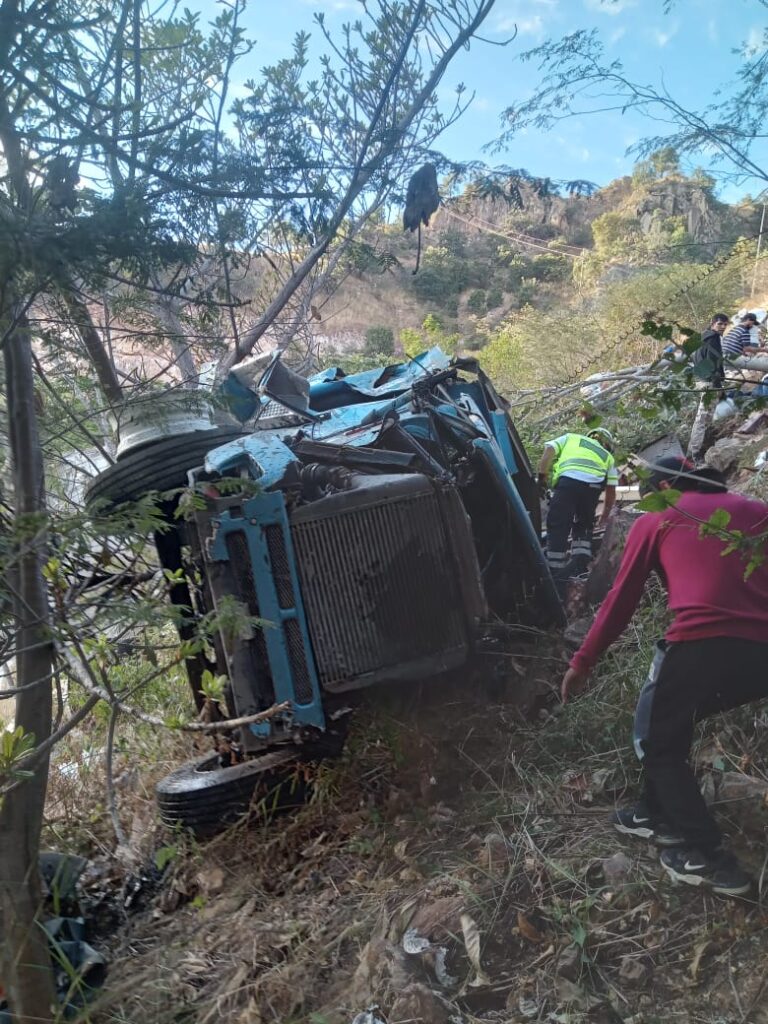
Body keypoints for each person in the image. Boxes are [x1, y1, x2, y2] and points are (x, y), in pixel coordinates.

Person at [561, 456, 768, 896]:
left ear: (668, 486)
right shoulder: (757, 509)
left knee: (658, 743)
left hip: (701, 640)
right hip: (762, 652)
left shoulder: (659, 518)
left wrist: (583, 661)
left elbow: (621, 598)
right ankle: (656, 812)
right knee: (667, 723)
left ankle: (707, 855)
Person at [538, 428, 618, 577]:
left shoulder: (571, 438)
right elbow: (611, 490)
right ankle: (580, 568)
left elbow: (549, 449)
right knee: (584, 525)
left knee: (558, 524)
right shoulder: (609, 457)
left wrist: (542, 478)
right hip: (592, 490)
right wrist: (604, 516)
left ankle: (555, 572)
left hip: (567, 484)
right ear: (607, 444)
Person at [692, 313, 729, 387]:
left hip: (700, 378)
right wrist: (717, 384)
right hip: (709, 381)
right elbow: (712, 361)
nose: (723, 327)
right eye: (720, 324)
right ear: (712, 324)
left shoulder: (704, 335)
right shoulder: (713, 338)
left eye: (725, 324)